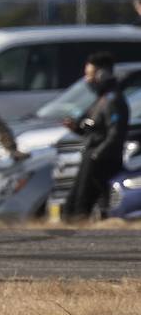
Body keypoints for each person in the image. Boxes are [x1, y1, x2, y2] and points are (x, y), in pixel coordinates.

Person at [63, 52, 131, 222]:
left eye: (90, 75)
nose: (87, 80)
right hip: (92, 157)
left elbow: (115, 134)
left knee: (81, 206)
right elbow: (94, 129)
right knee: (72, 205)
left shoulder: (113, 100)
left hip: (101, 161)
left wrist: (97, 155)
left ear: (102, 75)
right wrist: (77, 128)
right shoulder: (101, 100)